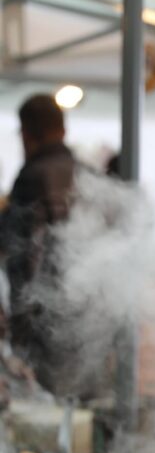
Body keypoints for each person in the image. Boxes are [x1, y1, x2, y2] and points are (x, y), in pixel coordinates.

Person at [0, 93, 76, 392]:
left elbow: (22, 256)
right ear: (63, 130)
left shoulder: (33, 176)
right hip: (82, 318)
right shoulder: (85, 174)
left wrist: (19, 329)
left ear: (27, 133)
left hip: (44, 325)